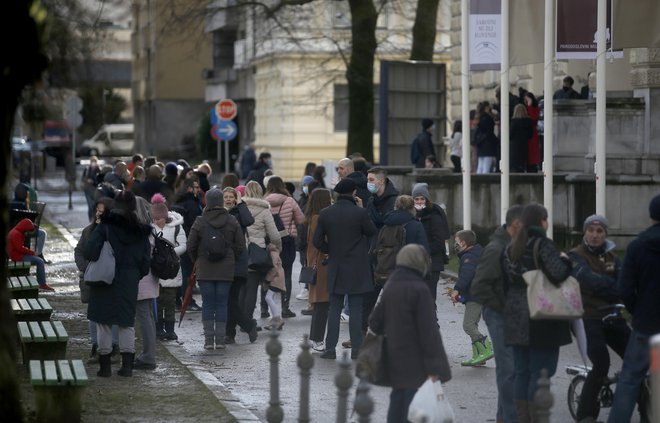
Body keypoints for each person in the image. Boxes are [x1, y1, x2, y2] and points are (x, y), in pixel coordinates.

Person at [502, 203, 572, 421]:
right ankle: (537, 417)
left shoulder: (510, 247)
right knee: (541, 372)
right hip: (541, 317)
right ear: (541, 221)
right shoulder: (542, 244)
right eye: (546, 219)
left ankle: (523, 417)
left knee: (522, 372)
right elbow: (558, 273)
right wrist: (565, 260)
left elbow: (505, 282)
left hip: (515, 317)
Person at [369, 244, 452, 423]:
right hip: (417, 358)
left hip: (394, 354)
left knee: (397, 400)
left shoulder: (391, 285)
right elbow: (429, 333)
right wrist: (434, 368)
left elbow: (375, 323)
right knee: (412, 405)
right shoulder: (420, 289)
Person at [567, 215, 629, 422]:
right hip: (586, 318)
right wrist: (615, 288)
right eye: (591, 231)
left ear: (605, 234)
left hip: (611, 315)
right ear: (585, 232)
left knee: (637, 358)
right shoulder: (575, 256)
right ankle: (586, 415)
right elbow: (587, 280)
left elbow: (625, 284)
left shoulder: (612, 257)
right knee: (601, 363)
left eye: (599, 231)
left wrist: (615, 289)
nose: (595, 235)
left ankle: (644, 405)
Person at [85, 190, 151, 377]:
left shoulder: (105, 226)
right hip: (128, 280)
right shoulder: (140, 230)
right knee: (126, 322)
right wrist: (136, 274)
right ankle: (127, 366)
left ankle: (105, 367)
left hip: (104, 279)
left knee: (103, 323)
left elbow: (90, 251)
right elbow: (146, 261)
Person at [607, 194, 660, 423]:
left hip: (646, 325)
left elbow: (625, 288)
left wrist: (637, 311)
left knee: (630, 379)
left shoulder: (638, 246)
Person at [313, 178, 377, 359]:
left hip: (336, 265)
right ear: (354, 193)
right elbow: (372, 232)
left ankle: (330, 349)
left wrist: (330, 250)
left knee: (334, 308)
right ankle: (357, 349)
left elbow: (317, 241)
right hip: (357, 266)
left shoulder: (326, 213)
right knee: (356, 309)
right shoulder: (360, 213)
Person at [470, 205, 523, 423]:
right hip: (498, 314)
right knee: (508, 370)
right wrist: (501, 306)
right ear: (514, 226)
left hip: (510, 314)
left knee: (512, 370)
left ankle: (504, 417)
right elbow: (480, 286)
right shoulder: (496, 248)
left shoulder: (514, 245)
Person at [186, 188, 245, 350]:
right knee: (221, 303)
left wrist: (197, 260)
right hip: (226, 270)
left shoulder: (200, 221)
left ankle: (208, 340)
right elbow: (241, 246)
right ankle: (220, 340)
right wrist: (231, 258)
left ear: (207, 201)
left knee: (207, 304)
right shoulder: (232, 220)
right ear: (220, 202)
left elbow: (190, 246)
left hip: (205, 269)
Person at [74, 197, 120, 364]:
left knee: (113, 314)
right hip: (93, 279)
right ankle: (96, 346)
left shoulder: (117, 232)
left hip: (112, 279)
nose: (99, 214)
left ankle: (114, 347)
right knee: (93, 315)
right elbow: (79, 251)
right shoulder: (88, 231)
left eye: (103, 212)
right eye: (97, 211)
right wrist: (86, 268)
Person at [450, 230, 493, 367]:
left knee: (468, 325)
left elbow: (466, 275)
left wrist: (457, 290)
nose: (455, 245)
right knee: (472, 324)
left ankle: (486, 349)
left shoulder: (469, 257)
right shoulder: (476, 253)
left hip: (476, 295)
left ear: (463, 242)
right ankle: (478, 355)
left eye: (456, 242)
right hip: (479, 293)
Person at [242, 181, 282, 327]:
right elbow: (275, 235)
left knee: (241, 289)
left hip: (241, 252)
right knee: (252, 288)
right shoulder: (265, 210)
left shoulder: (240, 208)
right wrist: (277, 249)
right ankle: (248, 321)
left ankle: (239, 321)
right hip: (257, 254)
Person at [264, 176, 305, 318]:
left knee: (267, 273)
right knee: (286, 273)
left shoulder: (264, 202)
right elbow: (301, 219)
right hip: (287, 241)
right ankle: (285, 308)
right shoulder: (289, 200)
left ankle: (264, 309)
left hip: (269, 242)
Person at [222, 187, 259, 344]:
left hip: (238, 261)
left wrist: (241, 204)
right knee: (230, 300)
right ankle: (231, 334)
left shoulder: (239, 212)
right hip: (223, 261)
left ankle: (246, 325)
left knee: (230, 299)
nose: (229, 199)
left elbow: (249, 220)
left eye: (232, 197)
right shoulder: (217, 212)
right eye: (226, 197)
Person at [151, 193, 187, 342]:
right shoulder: (150, 228)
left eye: (159, 218)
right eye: (154, 218)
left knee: (170, 303)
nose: (156, 221)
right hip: (157, 272)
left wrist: (169, 254)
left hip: (171, 271)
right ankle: (159, 329)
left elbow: (184, 245)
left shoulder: (176, 228)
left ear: (165, 217)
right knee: (158, 303)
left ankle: (170, 330)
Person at [132, 195, 160, 371]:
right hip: (150, 278)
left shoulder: (139, 231)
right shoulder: (151, 229)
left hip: (142, 278)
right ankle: (149, 353)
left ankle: (149, 356)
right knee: (148, 315)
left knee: (144, 316)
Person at [412, 182, 450, 303]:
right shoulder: (415, 216)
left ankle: (432, 320)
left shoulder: (434, 216)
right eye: (416, 199)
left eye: (422, 199)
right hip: (419, 262)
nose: (419, 202)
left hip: (432, 262)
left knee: (428, 295)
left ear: (427, 199)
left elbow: (439, 242)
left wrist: (423, 251)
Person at [305, 188, 332, 352]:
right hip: (321, 263)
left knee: (318, 303)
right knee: (322, 302)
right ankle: (317, 339)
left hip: (314, 261)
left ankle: (314, 338)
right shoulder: (319, 218)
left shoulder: (312, 217)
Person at [172, 178, 203, 312]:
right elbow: (196, 224)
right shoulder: (192, 203)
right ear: (190, 188)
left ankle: (179, 300)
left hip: (178, 240)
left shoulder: (177, 201)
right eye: (196, 187)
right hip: (189, 241)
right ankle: (188, 300)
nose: (198, 189)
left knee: (183, 272)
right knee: (188, 273)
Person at [7, 218, 52, 291]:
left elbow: (19, 248)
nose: (28, 233)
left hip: (18, 254)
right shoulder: (16, 234)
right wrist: (33, 253)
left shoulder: (17, 231)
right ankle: (42, 284)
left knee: (39, 260)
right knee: (40, 261)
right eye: (28, 231)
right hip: (17, 256)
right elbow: (20, 248)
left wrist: (32, 253)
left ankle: (42, 283)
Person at [474, 101, 498, 174]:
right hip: (488, 145)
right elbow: (490, 133)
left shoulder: (479, 118)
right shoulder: (488, 119)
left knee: (480, 167)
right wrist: (497, 141)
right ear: (487, 108)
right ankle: (483, 184)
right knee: (486, 168)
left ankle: (477, 184)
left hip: (480, 145)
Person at [510, 104, 534, 173]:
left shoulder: (514, 122)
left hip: (514, 145)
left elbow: (510, 134)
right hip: (524, 144)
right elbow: (530, 135)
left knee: (514, 164)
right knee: (522, 162)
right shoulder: (528, 121)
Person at [523, 92, 542, 173]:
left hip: (532, 132)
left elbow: (533, 119)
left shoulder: (534, 108)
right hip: (528, 133)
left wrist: (530, 105)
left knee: (533, 151)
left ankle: (533, 166)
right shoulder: (526, 108)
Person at [82, 156, 101, 221]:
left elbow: (100, 181)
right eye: (92, 162)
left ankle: (94, 218)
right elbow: (83, 178)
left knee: (94, 205)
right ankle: (91, 219)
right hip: (87, 190)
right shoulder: (87, 169)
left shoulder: (99, 170)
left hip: (95, 190)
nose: (93, 163)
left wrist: (93, 181)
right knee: (90, 204)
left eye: (94, 162)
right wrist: (87, 180)